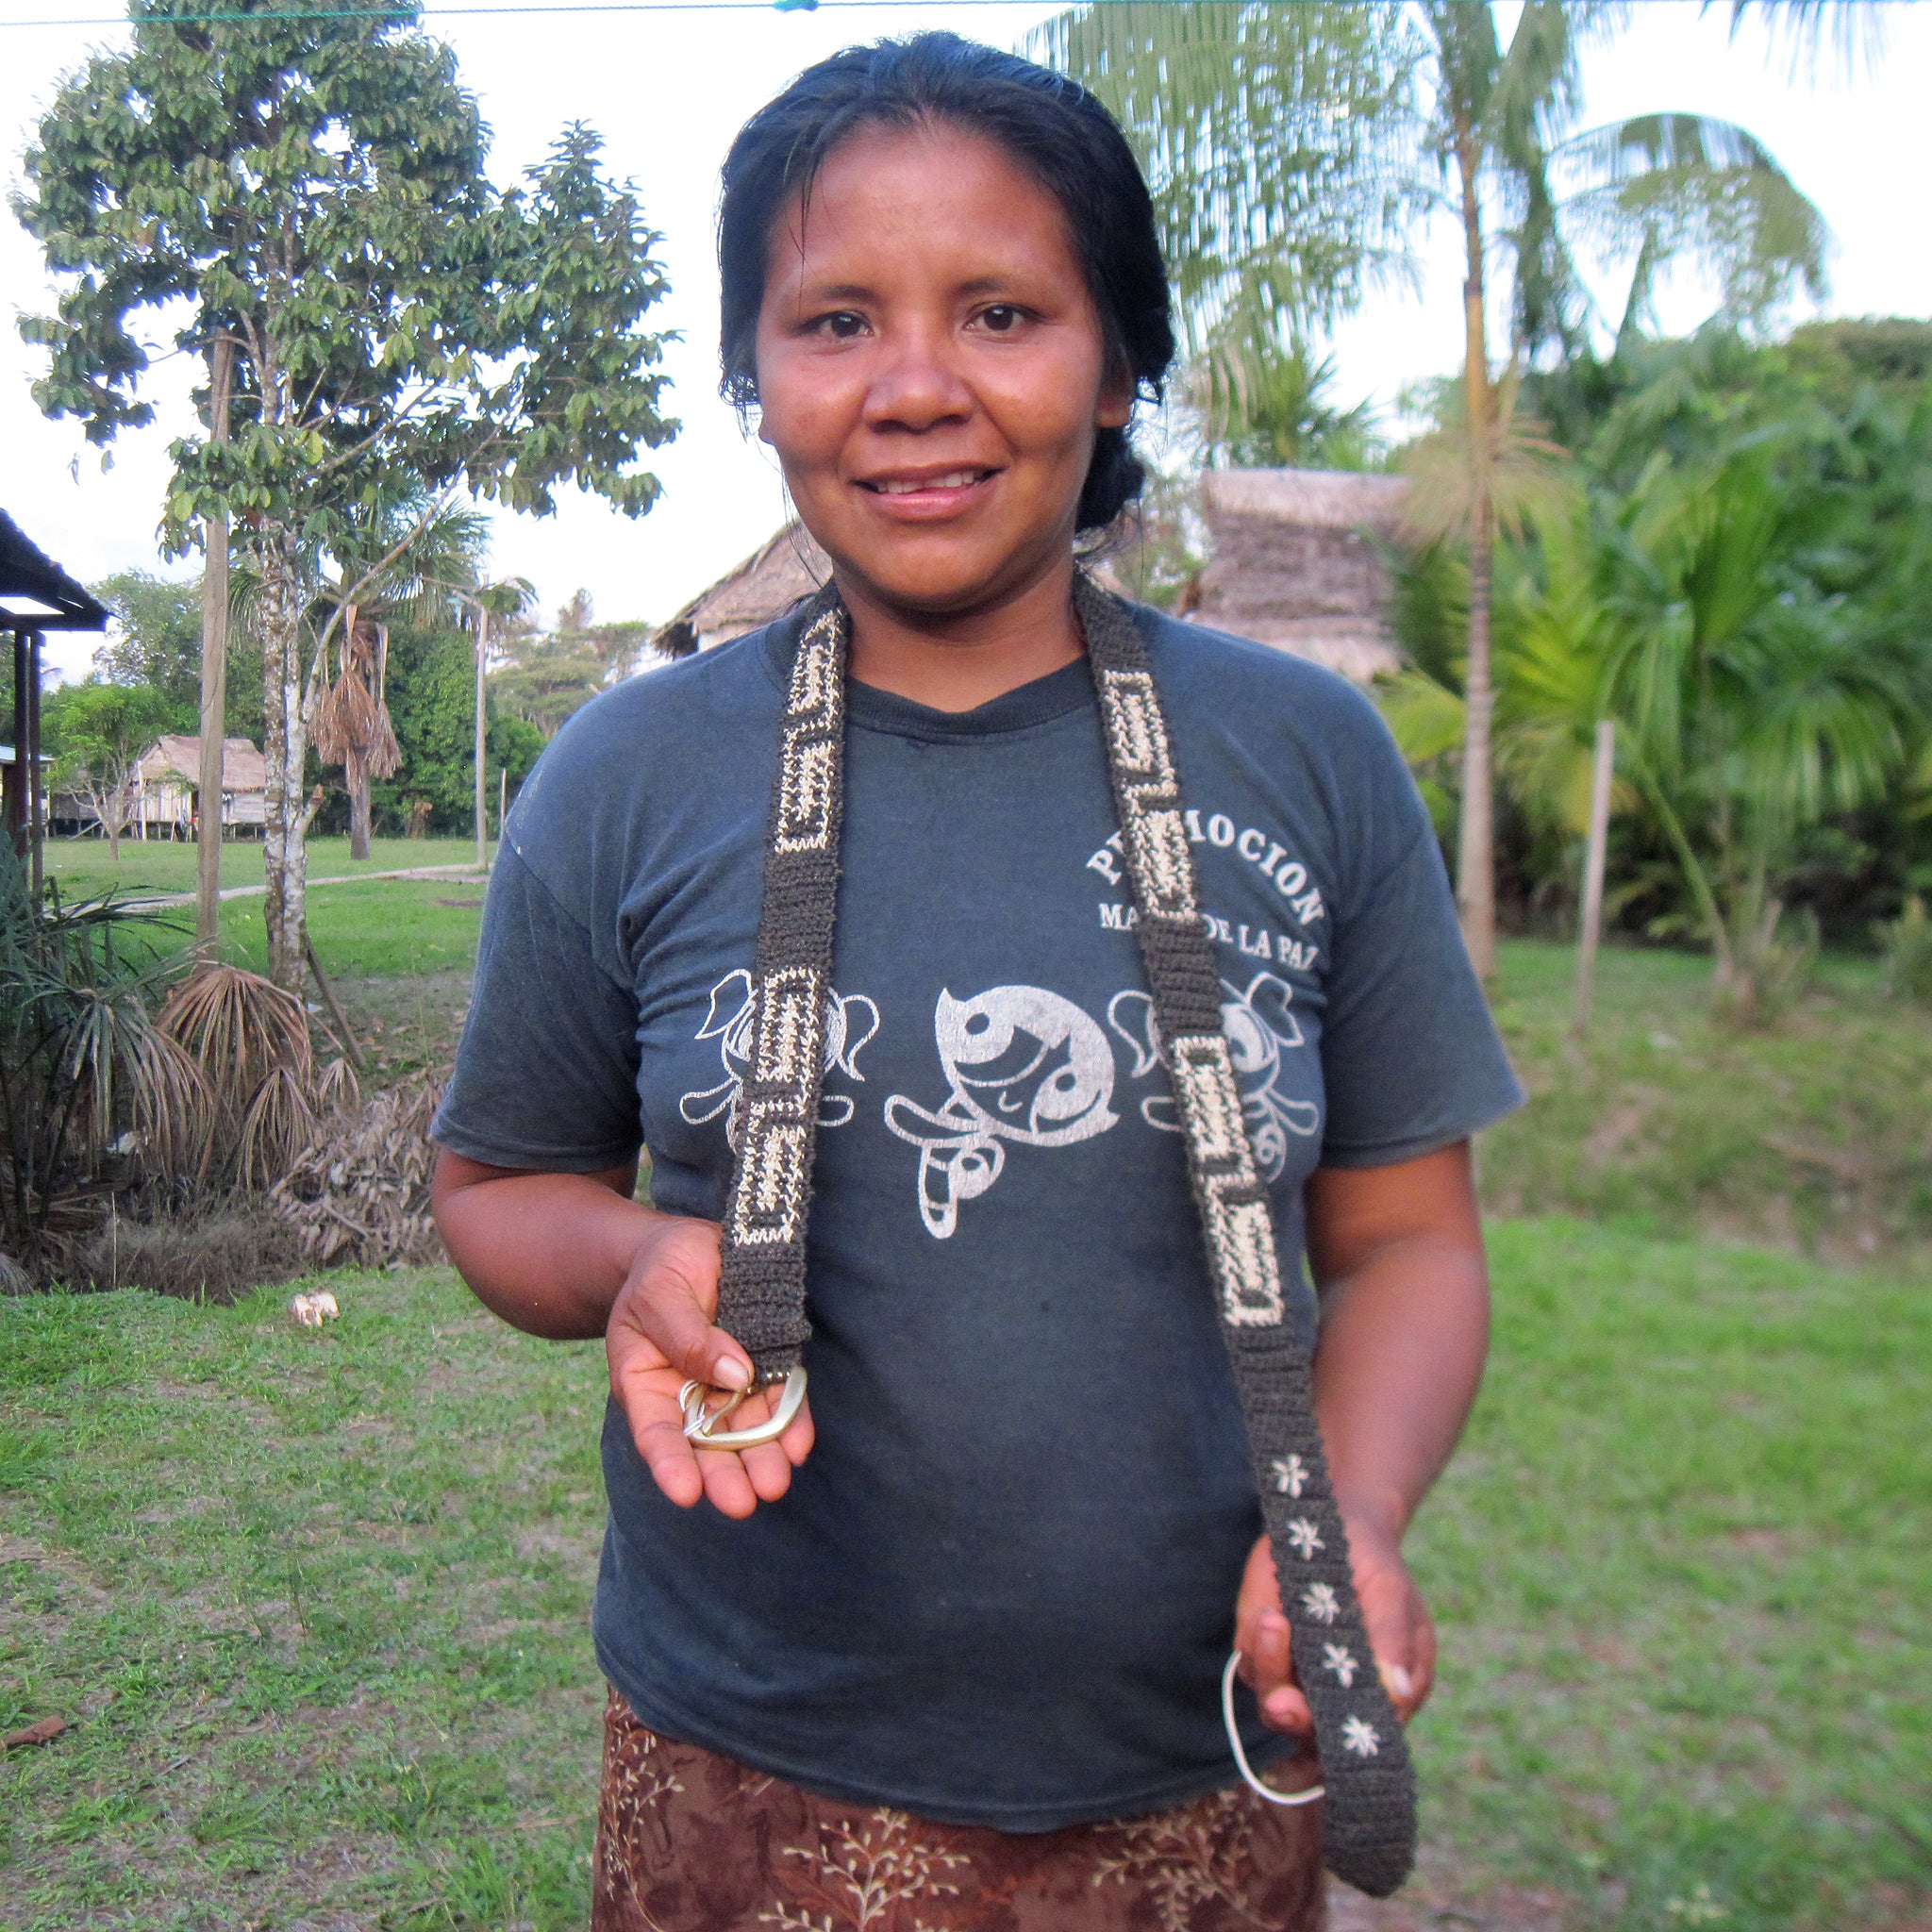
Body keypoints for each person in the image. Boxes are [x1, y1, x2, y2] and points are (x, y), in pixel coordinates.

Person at [430, 33, 1522, 1932]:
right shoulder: (630, 773)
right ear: (750, 378)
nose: (916, 388)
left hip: (1189, 1774)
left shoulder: (1299, 755)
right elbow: (489, 1191)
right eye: (834, 319)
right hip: (744, 1779)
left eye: (1003, 310)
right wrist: (630, 1261)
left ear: (1116, 364)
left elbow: (1413, 1243)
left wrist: (1348, 1518)